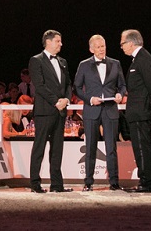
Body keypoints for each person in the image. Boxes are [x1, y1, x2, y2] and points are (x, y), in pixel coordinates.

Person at [74, 34, 126, 191]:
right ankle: (88, 182)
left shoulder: (115, 63)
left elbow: (122, 85)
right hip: (91, 110)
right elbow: (76, 88)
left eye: (103, 46)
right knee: (90, 147)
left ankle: (114, 182)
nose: (101, 49)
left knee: (111, 148)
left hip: (110, 110)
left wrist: (120, 95)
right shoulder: (83, 65)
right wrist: (90, 99)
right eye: (98, 47)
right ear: (91, 49)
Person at [27, 29, 72, 194]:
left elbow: (68, 84)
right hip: (45, 111)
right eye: (58, 41)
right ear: (48, 41)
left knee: (57, 148)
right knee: (39, 147)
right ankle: (35, 183)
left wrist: (66, 100)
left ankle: (57, 184)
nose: (61, 44)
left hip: (60, 110)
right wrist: (56, 101)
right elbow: (39, 86)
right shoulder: (36, 60)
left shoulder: (63, 61)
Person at [120, 29, 151, 193]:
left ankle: (146, 182)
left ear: (131, 42)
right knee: (144, 146)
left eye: (122, 43)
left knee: (142, 147)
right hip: (139, 111)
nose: (121, 47)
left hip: (141, 112)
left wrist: (150, 107)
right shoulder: (139, 58)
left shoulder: (143, 58)